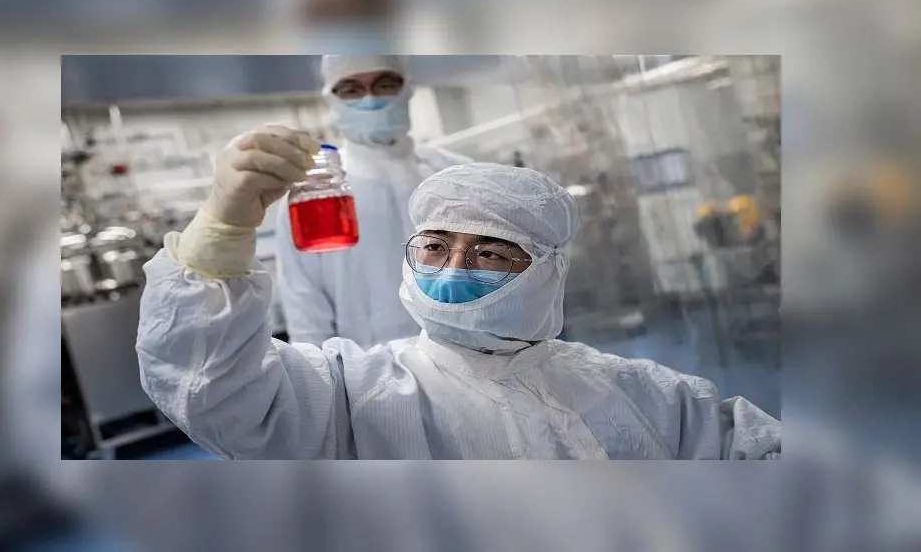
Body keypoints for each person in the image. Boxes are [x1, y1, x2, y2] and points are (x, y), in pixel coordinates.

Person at [137, 125, 781, 459]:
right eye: (435, 246)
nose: (454, 267)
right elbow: (213, 389)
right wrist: (221, 229)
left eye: (493, 251)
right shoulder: (351, 393)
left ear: (547, 270)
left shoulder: (645, 394)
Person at [274, 55, 471, 348]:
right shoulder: (314, 192)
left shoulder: (460, 177)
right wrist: (323, 385)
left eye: (385, 84)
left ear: (406, 89)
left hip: (465, 361)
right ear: (333, 98)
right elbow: (305, 308)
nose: (371, 100)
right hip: (366, 377)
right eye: (352, 89)